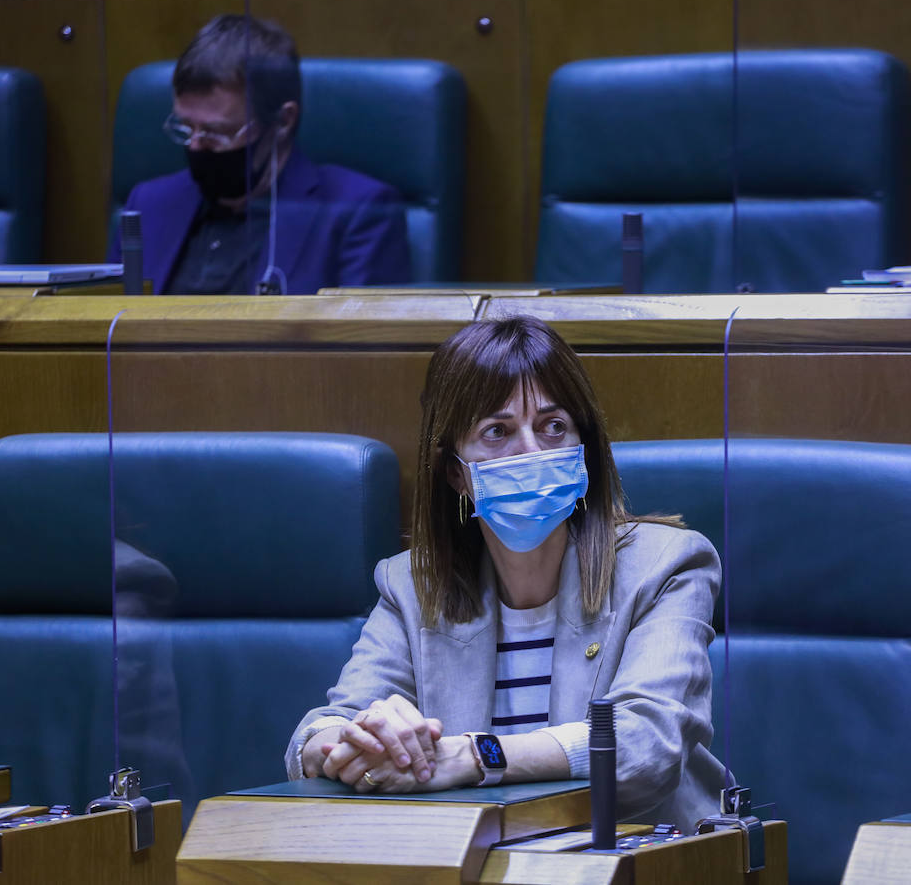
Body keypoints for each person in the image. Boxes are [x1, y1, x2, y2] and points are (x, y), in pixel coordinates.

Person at [285, 315, 727, 829]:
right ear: (456, 473)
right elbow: (323, 729)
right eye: (497, 432)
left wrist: (475, 757)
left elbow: (643, 747)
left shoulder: (667, 566)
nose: (531, 453)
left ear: (584, 450)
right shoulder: (411, 586)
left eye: (553, 427)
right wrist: (356, 742)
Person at [109, 14, 410, 294]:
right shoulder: (148, 204)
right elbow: (105, 331)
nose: (196, 146)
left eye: (218, 132)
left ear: (283, 120)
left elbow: (360, 344)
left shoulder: (357, 213)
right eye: (186, 127)